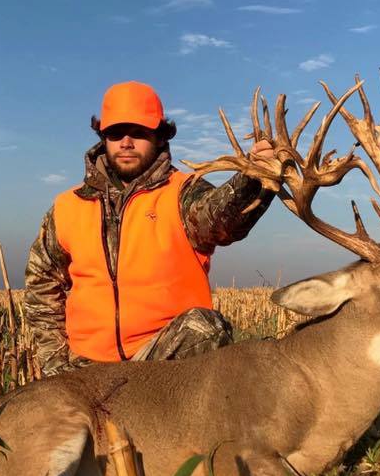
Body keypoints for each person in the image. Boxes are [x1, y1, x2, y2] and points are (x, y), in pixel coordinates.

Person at [25, 81, 277, 375]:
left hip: (160, 364)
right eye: (116, 133)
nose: (126, 142)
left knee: (205, 328)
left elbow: (220, 220)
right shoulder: (69, 205)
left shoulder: (183, 193)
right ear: (103, 137)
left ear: (159, 137)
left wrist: (255, 177)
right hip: (87, 369)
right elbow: (41, 283)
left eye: (139, 133)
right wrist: (55, 364)